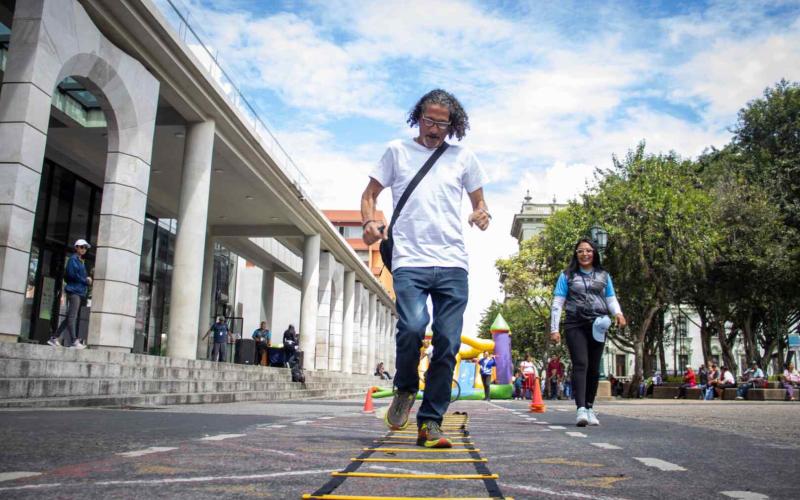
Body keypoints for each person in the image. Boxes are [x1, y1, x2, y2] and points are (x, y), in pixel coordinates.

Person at [361, 89, 489, 448]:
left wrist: (482, 214)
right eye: (429, 121)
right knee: (414, 326)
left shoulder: (463, 157)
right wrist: (369, 221)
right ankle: (404, 388)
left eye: (443, 124)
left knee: (447, 342)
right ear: (418, 117)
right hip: (409, 260)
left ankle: (430, 423)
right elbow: (369, 194)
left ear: (454, 125)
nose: (435, 129)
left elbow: (480, 202)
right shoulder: (397, 152)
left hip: (452, 263)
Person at [549, 238, 627, 427]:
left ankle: (590, 407)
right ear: (576, 254)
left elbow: (610, 298)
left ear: (594, 253)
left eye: (588, 251)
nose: (585, 254)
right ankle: (581, 409)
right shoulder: (566, 276)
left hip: (598, 324)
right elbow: (558, 302)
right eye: (580, 251)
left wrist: (618, 313)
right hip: (574, 323)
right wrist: (554, 329)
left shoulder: (603, 275)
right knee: (580, 364)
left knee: (593, 367)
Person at [48, 239, 92, 349]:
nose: (83, 249)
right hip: (74, 291)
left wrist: (86, 280)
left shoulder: (79, 261)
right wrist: (85, 280)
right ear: (76, 247)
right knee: (72, 317)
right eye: (81, 247)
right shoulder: (73, 260)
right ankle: (74, 341)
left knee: (69, 317)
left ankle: (54, 337)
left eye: (85, 248)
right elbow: (71, 275)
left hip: (77, 291)